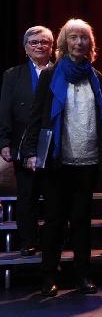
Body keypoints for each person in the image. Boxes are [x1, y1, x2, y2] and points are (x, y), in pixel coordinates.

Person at [22, 19, 102, 296]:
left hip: (88, 160)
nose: (78, 43)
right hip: (57, 160)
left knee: (82, 220)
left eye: (83, 38)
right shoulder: (50, 75)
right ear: (64, 42)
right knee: (54, 220)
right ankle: (48, 275)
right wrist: (30, 152)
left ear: (90, 43)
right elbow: (36, 116)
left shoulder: (98, 78)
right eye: (73, 37)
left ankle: (82, 275)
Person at [0, 26, 53, 257]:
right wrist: (4, 141)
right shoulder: (13, 75)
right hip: (23, 142)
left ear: (52, 47)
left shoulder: (60, 73)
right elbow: (5, 110)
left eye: (44, 42)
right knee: (27, 194)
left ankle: (53, 244)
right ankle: (28, 241)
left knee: (54, 197)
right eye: (34, 42)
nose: (39, 46)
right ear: (25, 48)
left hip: (54, 144)